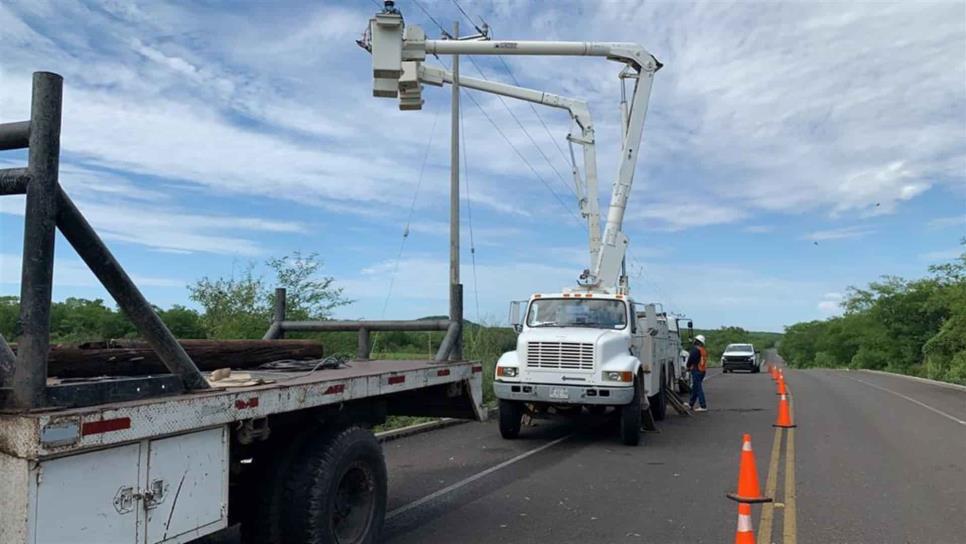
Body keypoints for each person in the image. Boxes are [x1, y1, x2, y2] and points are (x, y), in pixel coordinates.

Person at [686, 334, 708, 412]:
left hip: (696, 371)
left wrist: (688, 366)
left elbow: (691, 359)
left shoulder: (695, 350)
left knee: (698, 388)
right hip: (702, 371)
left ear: (697, 341)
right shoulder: (703, 350)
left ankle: (703, 406)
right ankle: (691, 404)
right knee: (695, 388)